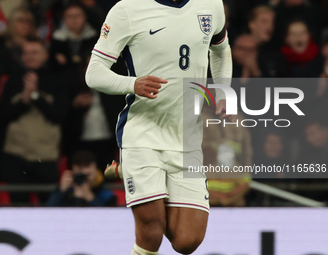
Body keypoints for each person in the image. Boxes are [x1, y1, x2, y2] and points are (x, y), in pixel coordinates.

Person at [85, 0, 233, 254]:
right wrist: (132, 84)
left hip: (187, 138)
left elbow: (220, 49)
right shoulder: (127, 10)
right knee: (152, 231)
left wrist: (223, 91)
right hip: (143, 132)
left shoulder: (211, 5)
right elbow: (94, 72)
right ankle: (137, 167)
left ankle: (130, 170)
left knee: (188, 241)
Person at [0, 38, 69, 204]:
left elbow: (58, 116)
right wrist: (24, 101)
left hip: (45, 156)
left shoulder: (57, 81)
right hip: (15, 155)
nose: (29, 57)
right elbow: (1, 117)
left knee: (49, 204)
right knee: (18, 205)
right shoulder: (13, 81)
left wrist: (35, 96)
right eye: (26, 53)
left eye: (35, 52)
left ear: (45, 55)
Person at [47, 150, 117, 207]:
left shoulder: (106, 195)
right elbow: (48, 211)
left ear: (95, 169)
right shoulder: (67, 192)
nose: (83, 171)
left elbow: (107, 218)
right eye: (80, 168)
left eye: (87, 175)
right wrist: (61, 190)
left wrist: (89, 197)